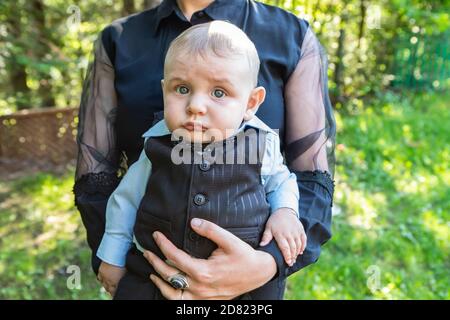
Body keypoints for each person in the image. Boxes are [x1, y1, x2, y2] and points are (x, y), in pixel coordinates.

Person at [74, 0, 336, 300]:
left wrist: (275, 245)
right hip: (150, 278)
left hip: (250, 288)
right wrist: (111, 256)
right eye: (182, 89)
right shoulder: (154, 141)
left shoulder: (290, 39)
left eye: (219, 93)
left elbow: (291, 179)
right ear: (166, 89)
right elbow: (123, 197)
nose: (196, 106)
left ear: (252, 103)